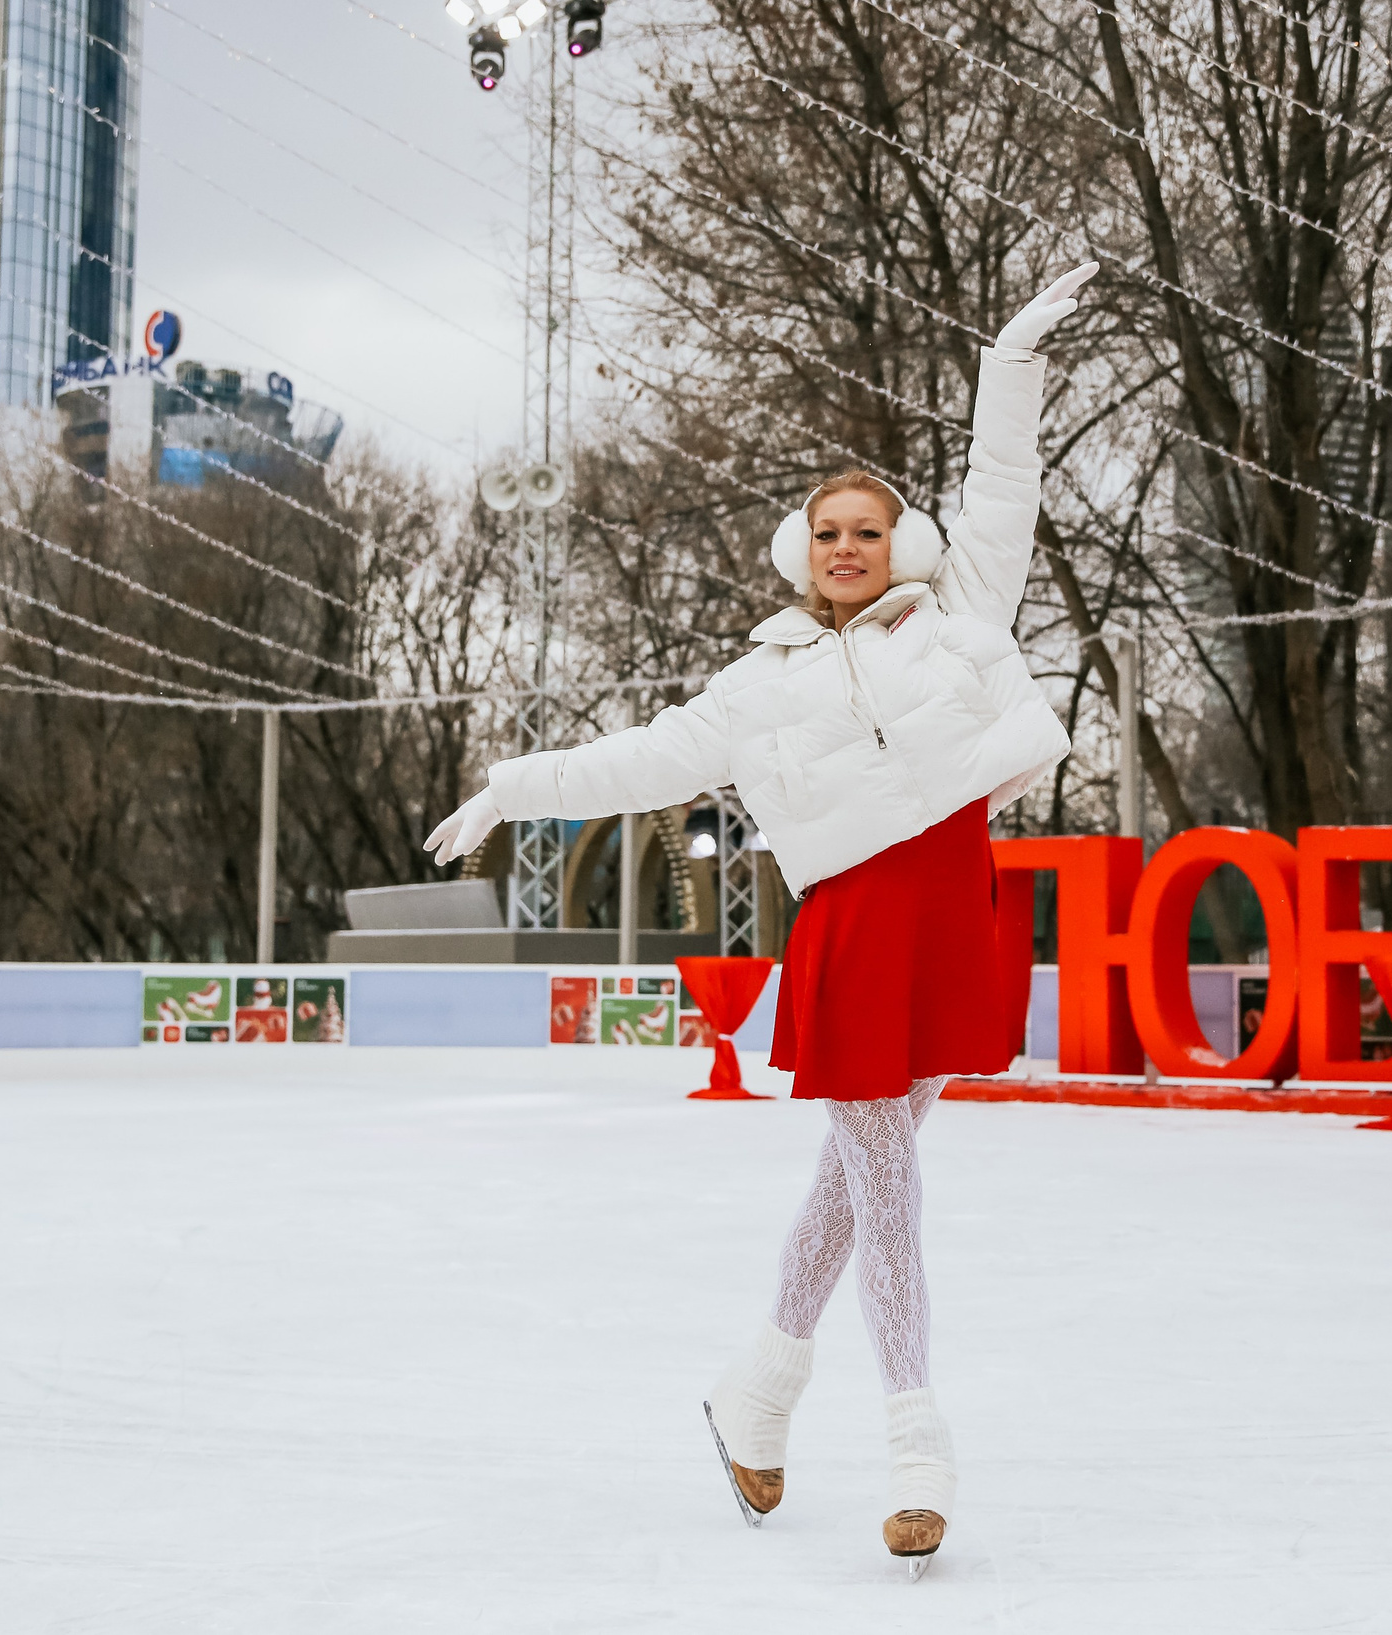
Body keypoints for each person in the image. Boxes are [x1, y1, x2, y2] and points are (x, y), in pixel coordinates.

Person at [424, 261, 1095, 1576]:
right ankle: (916, 1440)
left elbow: (1004, 485)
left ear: (900, 546)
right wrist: (515, 784)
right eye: (827, 531)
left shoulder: (958, 618)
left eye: (868, 530)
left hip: (954, 909)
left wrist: (1011, 363)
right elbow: (641, 759)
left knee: (859, 1174)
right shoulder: (758, 686)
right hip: (856, 928)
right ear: (803, 552)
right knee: (887, 1188)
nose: (848, 546)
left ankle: (758, 1393)